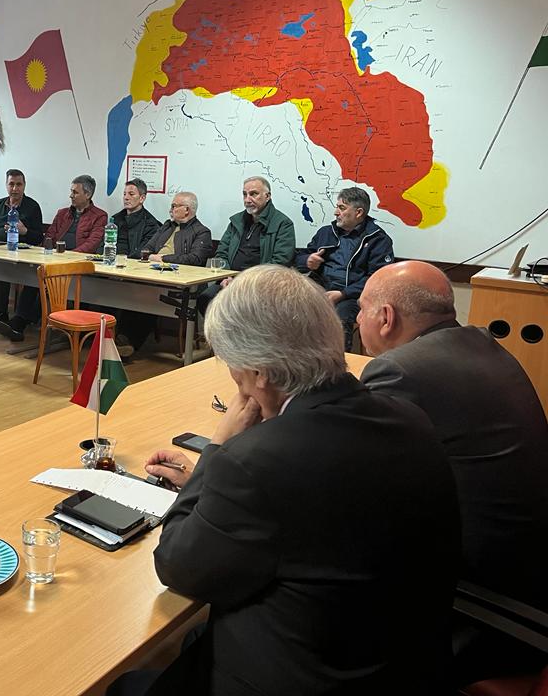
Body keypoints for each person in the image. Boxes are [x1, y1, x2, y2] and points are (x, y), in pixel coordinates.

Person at [130, 265, 459, 695]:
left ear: (260, 372)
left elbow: (176, 565)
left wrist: (219, 447)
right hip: (403, 666)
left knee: (130, 684)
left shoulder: (255, 462)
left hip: (301, 676)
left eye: (232, 366)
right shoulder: (409, 416)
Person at [357, 262, 548, 616]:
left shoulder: (399, 370)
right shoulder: (481, 342)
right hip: (529, 559)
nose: (356, 320)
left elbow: (356, 470)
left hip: (482, 590)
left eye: (361, 309)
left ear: (386, 317)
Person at [0, 174, 106, 342]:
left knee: (47, 281)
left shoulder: (99, 216)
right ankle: (19, 323)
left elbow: (92, 244)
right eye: (71, 191)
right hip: (54, 261)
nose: (70, 195)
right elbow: (50, 236)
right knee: (35, 278)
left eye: (75, 192)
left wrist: (67, 258)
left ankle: (28, 323)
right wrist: (48, 253)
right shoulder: (62, 213)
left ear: (88, 195)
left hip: (77, 266)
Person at [114, 191, 212, 358]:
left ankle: (128, 341)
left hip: (180, 282)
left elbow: (195, 259)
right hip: (153, 275)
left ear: (187, 210)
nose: (170, 209)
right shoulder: (167, 226)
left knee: (149, 295)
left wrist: (163, 259)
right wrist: (146, 256)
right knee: (131, 290)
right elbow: (147, 248)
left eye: (174, 206)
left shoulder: (201, 232)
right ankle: (121, 340)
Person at [296, 186, 394, 350]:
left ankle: (338, 360)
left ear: (358, 212)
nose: (336, 213)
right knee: (291, 306)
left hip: (353, 296)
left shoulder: (378, 240)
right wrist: (308, 260)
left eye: (342, 208)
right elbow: (299, 257)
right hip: (320, 289)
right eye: (337, 207)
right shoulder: (326, 232)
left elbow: (378, 278)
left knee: (341, 315)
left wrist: (343, 294)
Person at [196, 175, 296, 315]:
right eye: (244, 194)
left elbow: (280, 262)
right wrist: (226, 277)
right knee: (206, 299)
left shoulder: (283, 224)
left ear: (267, 196)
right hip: (230, 280)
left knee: (248, 309)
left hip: (260, 285)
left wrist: (244, 283)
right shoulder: (236, 221)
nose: (247, 200)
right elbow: (221, 253)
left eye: (253, 194)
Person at [0, 168, 44, 329]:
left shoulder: (33, 206)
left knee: (10, 272)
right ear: (6, 185)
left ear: (24, 185)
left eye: (18, 184)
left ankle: (12, 316)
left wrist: (25, 231)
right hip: (0, 251)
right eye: (11, 184)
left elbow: (39, 237)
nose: (15, 188)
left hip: (25, 253)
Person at [109, 178, 161, 259]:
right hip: (110, 261)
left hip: (130, 263)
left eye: (131, 194)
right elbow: (103, 246)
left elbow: (142, 252)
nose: (126, 198)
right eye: (124, 194)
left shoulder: (151, 224)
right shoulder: (116, 219)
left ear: (142, 198)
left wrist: (123, 260)